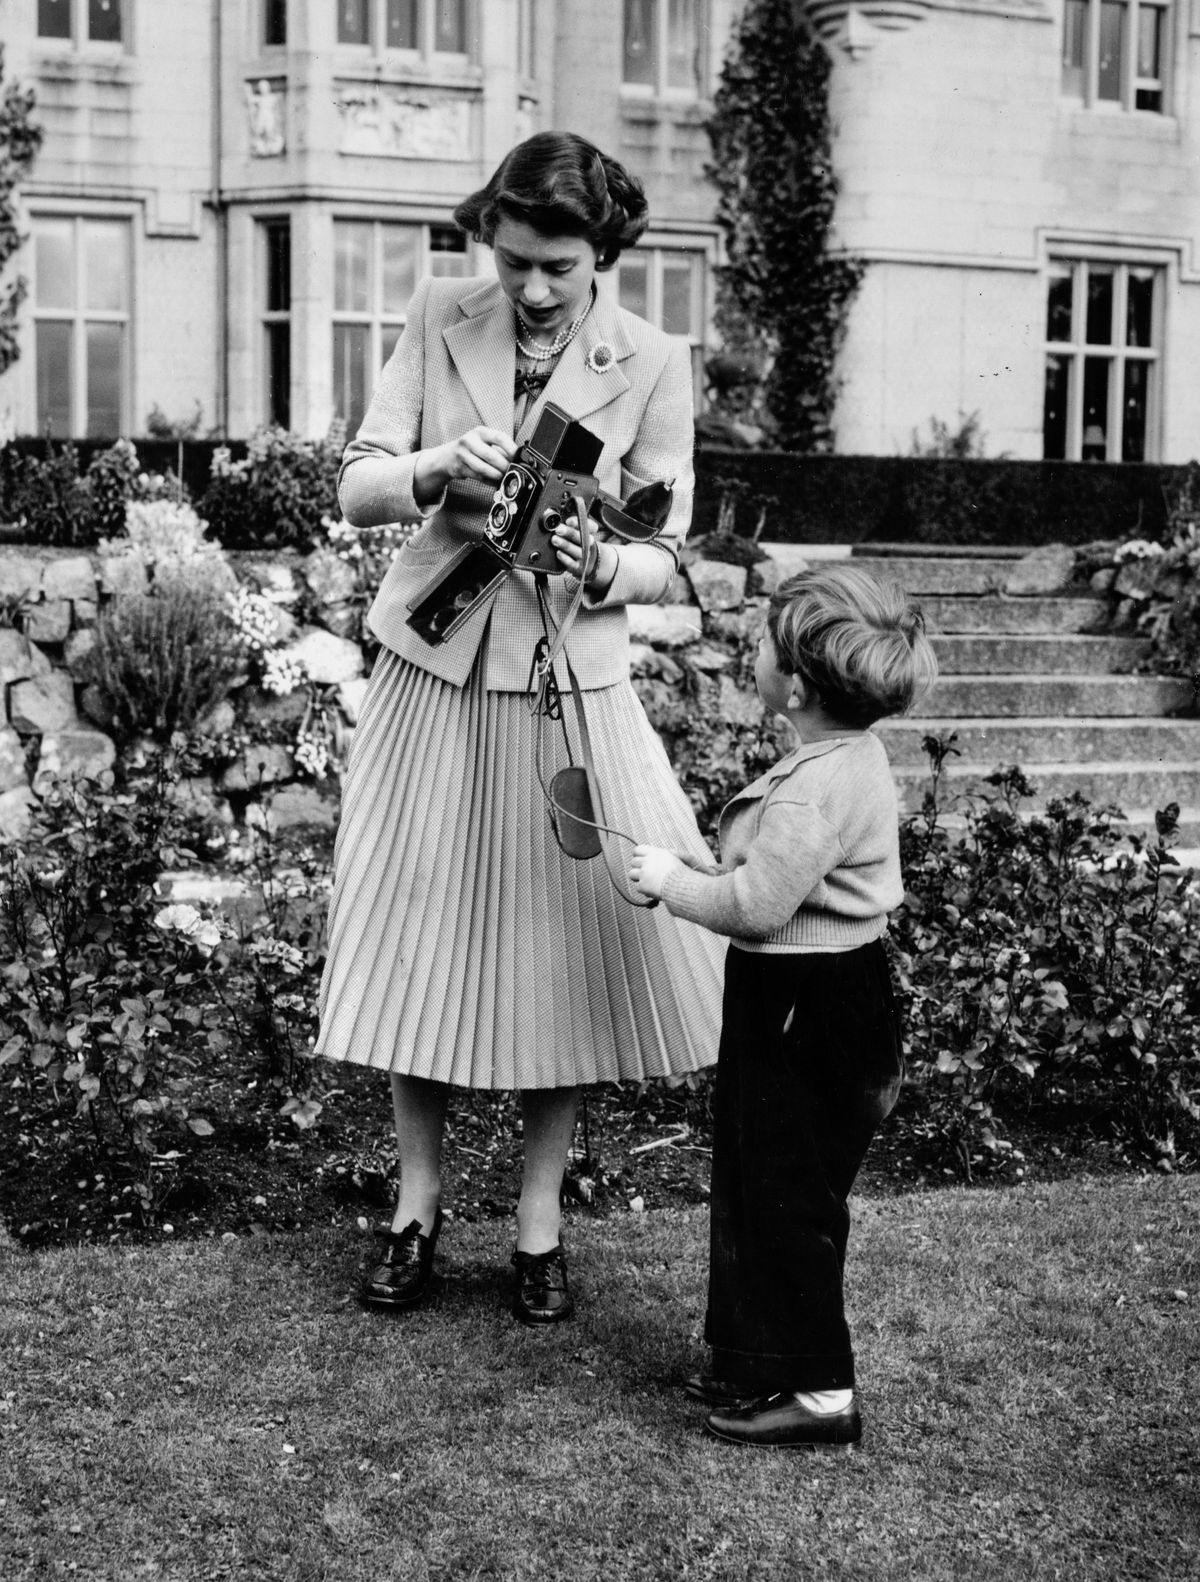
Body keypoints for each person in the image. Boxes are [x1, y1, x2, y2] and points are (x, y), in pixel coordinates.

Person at [316, 131, 726, 1326]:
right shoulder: (440, 309)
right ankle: (416, 1207)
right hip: (431, 676)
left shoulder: (650, 359)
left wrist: (609, 566)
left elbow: (667, 551)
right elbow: (356, 484)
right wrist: (440, 466)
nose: (532, 288)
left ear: (606, 249)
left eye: (557, 265)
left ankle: (539, 1225)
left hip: (565, 687)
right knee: (416, 933)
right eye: (512, 260)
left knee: (568, 946)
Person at [630, 564, 938, 1447]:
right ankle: (757, 1362)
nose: (750, 654)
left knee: (785, 1196)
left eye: (761, 646)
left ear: (795, 686)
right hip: (831, 995)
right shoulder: (849, 754)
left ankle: (818, 1390)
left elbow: (757, 907)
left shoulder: (810, 787)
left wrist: (670, 883)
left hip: (804, 1004)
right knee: (759, 1184)